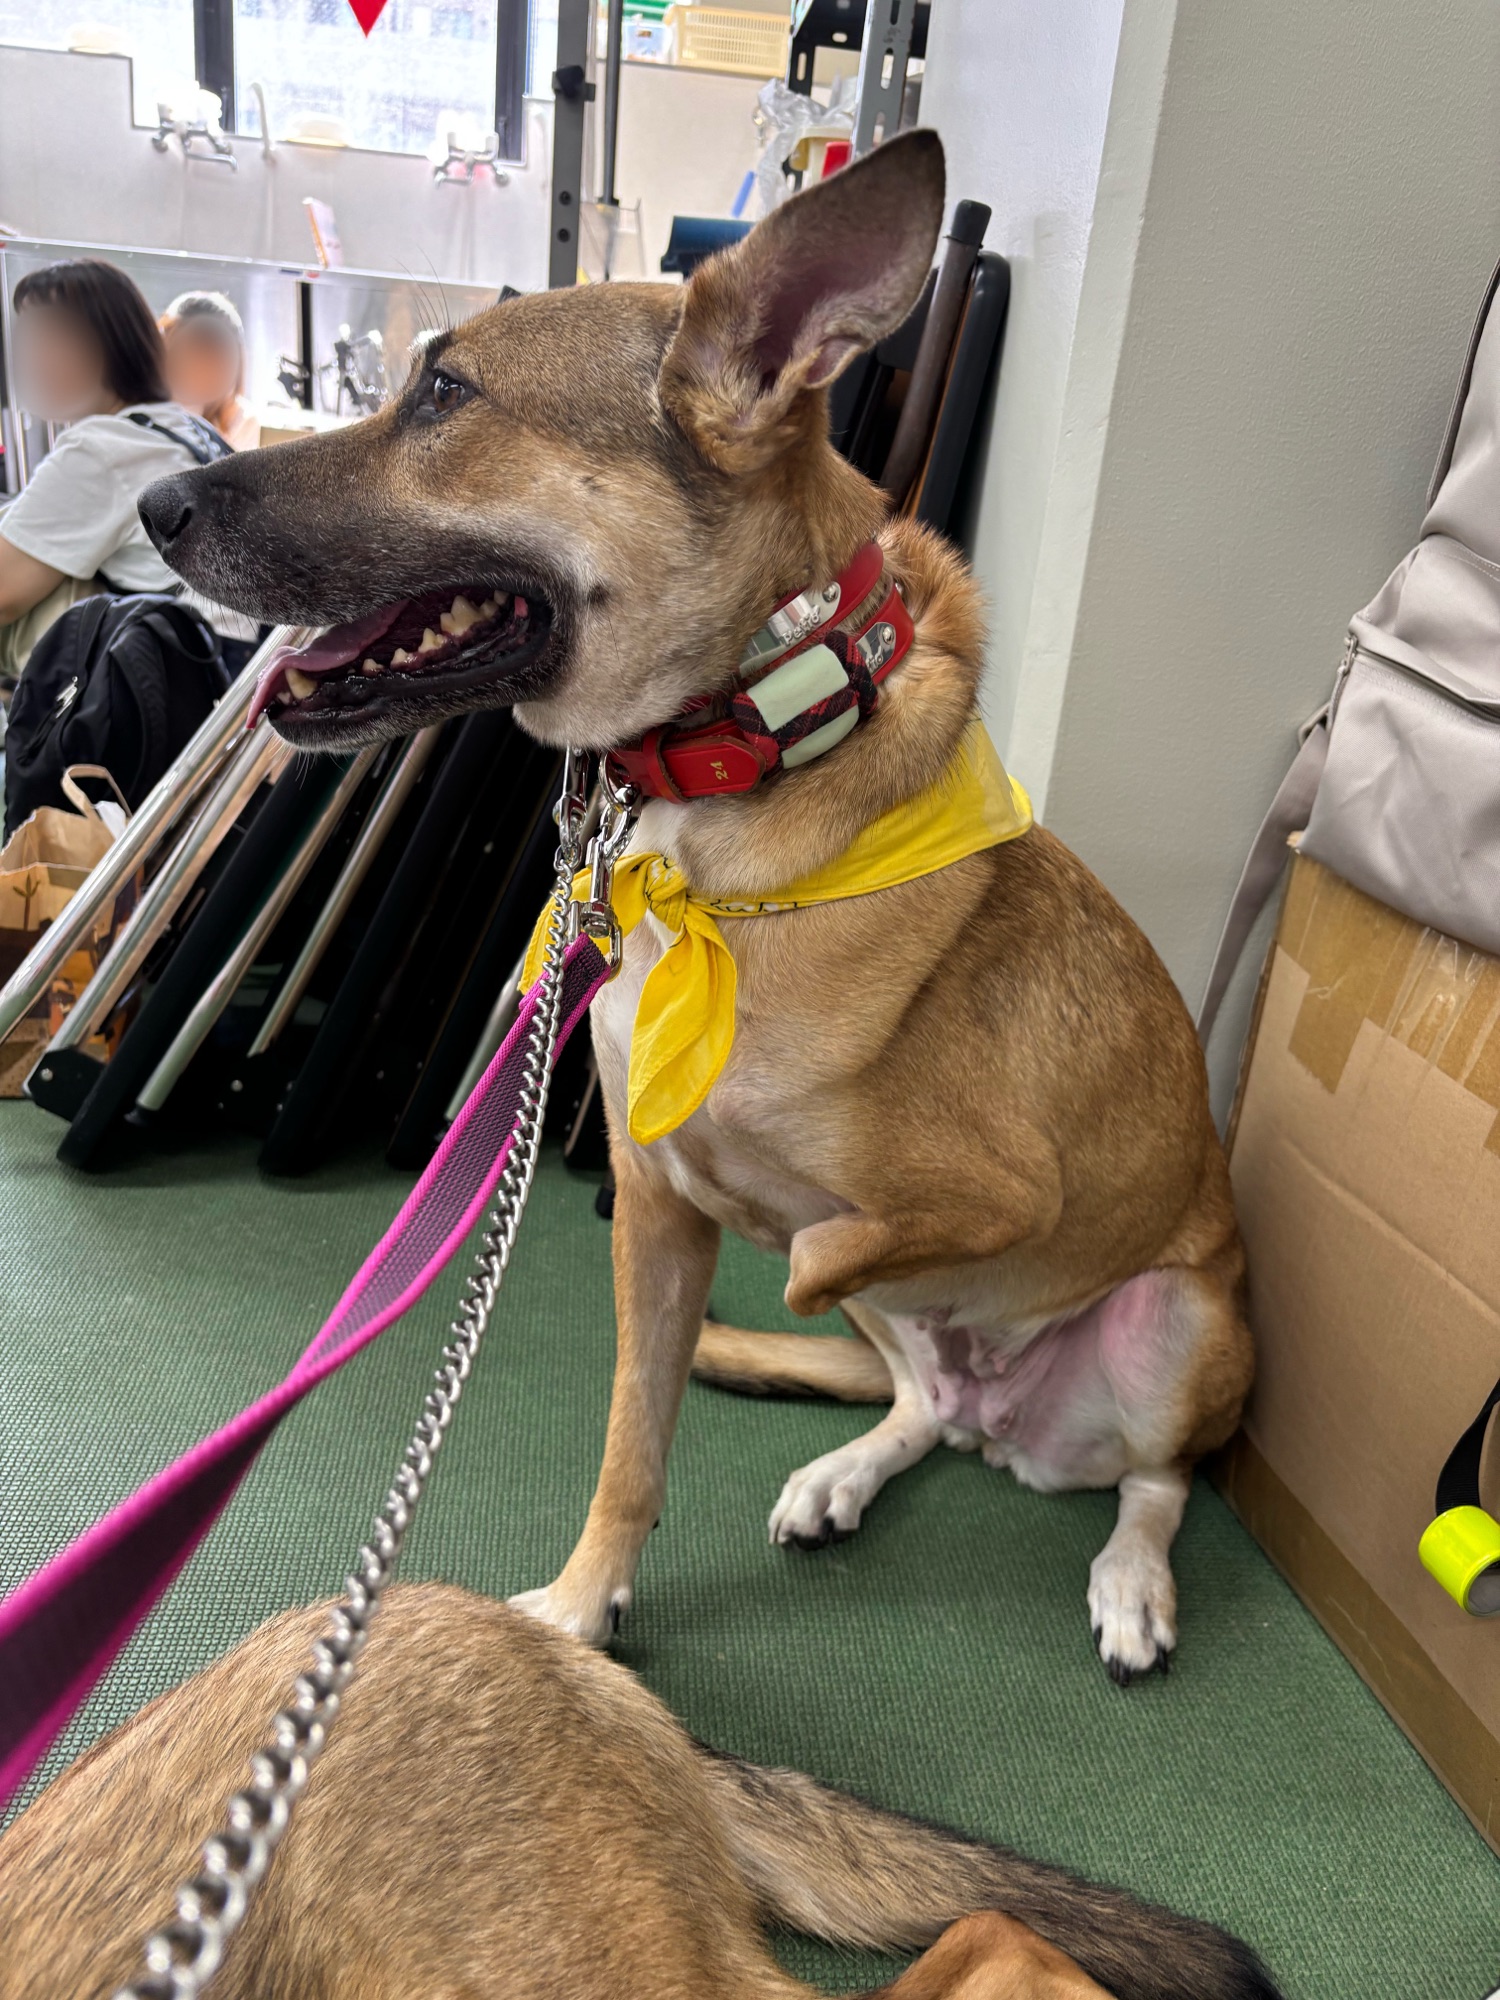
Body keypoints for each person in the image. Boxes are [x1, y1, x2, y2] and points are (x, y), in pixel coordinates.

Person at [0, 260, 244, 680]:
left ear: (112, 346)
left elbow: (3, 595)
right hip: (226, 666)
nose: (26, 360)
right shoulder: (184, 426)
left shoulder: (102, 447)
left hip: (167, 689)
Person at [160, 290, 261, 451]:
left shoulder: (243, 423)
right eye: (191, 353)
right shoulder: (144, 414)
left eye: (215, 356)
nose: (200, 370)